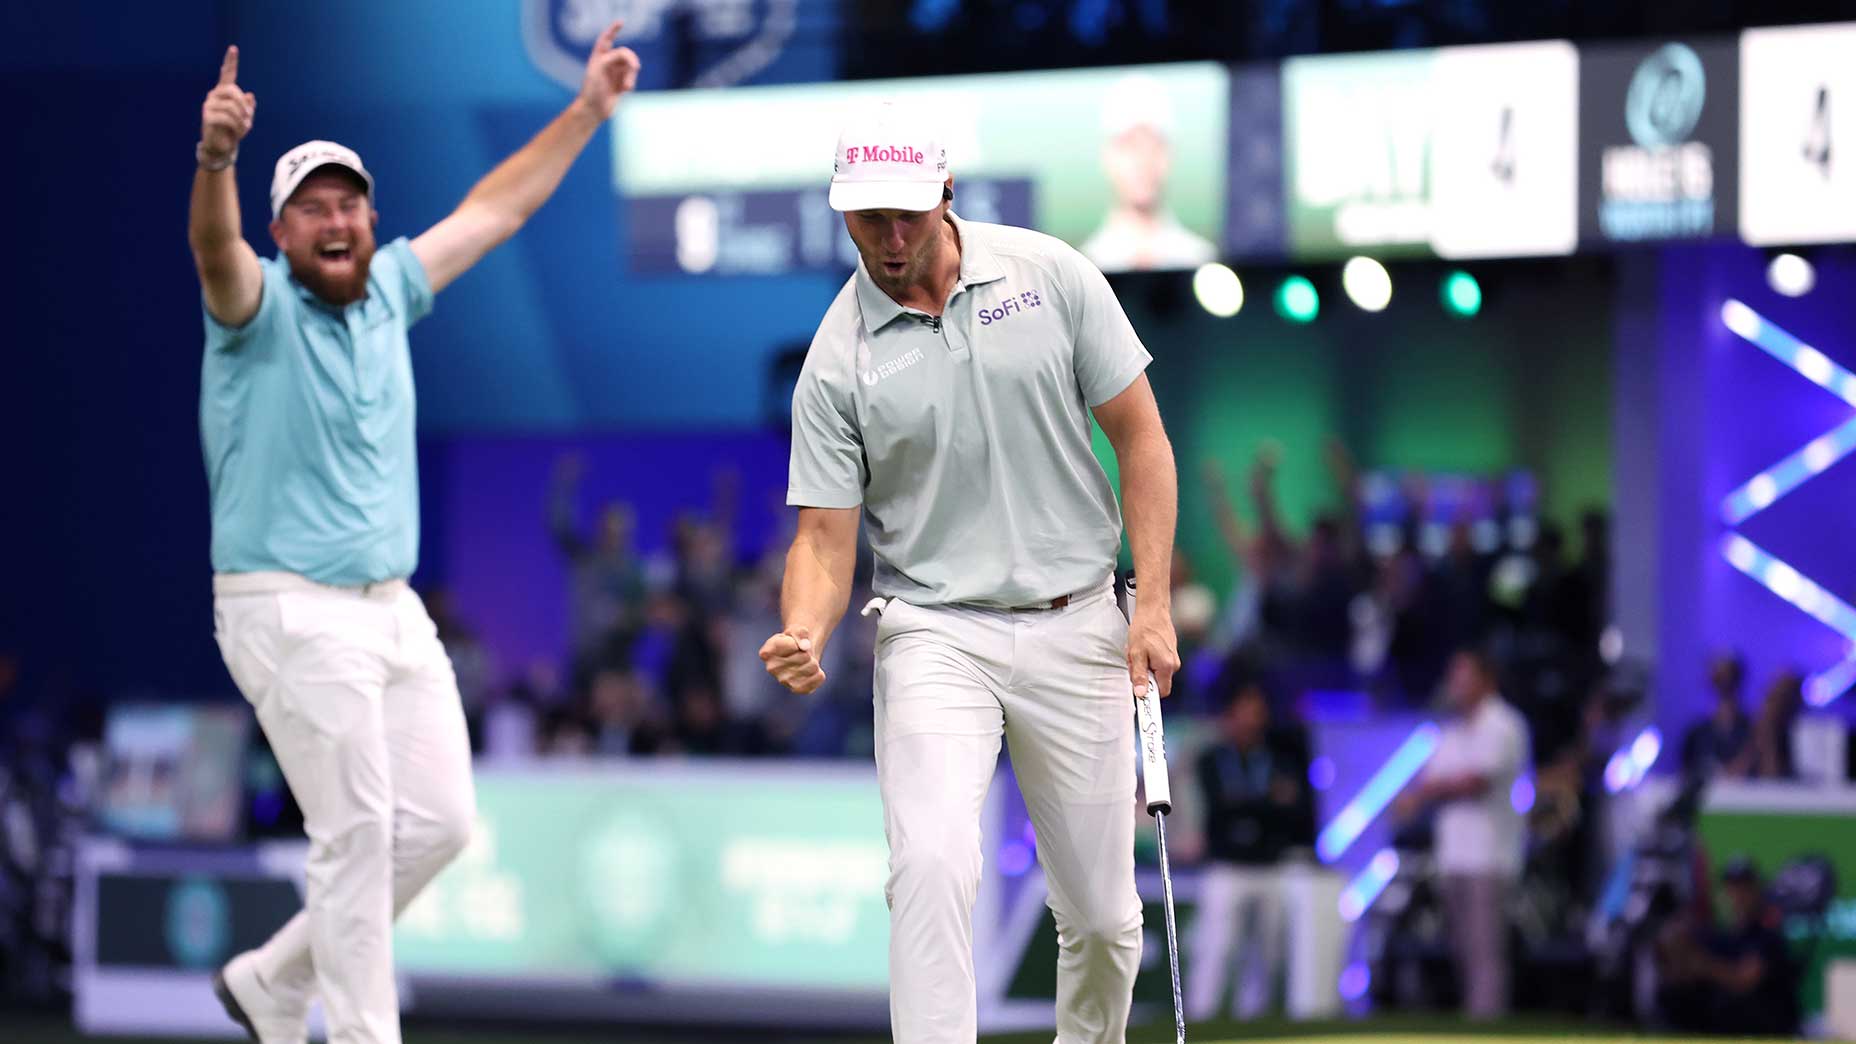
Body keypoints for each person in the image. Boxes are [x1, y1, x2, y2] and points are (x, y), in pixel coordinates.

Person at [190, 27, 639, 1044]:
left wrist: (586, 109)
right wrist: (215, 159)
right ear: (281, 230)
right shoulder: (252, 307)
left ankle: (271, 980)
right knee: (352, 839)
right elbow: (214, 250)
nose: (335, 219)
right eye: (312, 208)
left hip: (391, 611)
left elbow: (498, 207)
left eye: (349, 203)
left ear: (372, 218)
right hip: (285, 604)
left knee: (437, 826)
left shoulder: (391, 287)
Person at [759, 101, 1181, 1044]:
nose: (892, 235)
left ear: (948, 192)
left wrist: (1152, 606)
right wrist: (805, 627)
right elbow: (824, 541)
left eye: (909, 210)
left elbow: (1143, 442)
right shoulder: (834, 360)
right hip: (934, 630)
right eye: (870, 217)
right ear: (843, 215)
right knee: (932, 868)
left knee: (1108, 925)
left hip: (1080, 619)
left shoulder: (1053, 275)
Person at [1395, 648, 1529, 1019]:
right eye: (1453, 676)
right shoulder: (1450, 730)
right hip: (1453, 854)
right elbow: (1435, 777)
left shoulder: (1504, 724)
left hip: (1490, 856)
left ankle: (1487, 1024)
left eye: (1463, 676)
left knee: (1486, 949)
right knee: (1461, 946)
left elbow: (1475, 781)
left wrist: (1422, 796)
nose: (1455, 685)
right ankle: (1473, 1018)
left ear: (1486, 680)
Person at [1186, 683, 1308, 1019]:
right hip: (1225, 867)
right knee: (1214, 948)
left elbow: (1293, 811)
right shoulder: (1212, 759)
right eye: (1244, 711)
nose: (1250, 720)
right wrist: (1268, 800)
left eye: (1256, 712)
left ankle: (1254, 1021)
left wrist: (1244, 804)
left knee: (1266, 954)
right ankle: (1200, 1018)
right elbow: (1219, 807)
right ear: (1229, 716)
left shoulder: (1278, 759)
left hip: (1269, 866)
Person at [1078, 72, 1217, 272]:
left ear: (1168, 155)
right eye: (1129, 145)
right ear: (1107, 156)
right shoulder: (1085, 268)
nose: (1142, 161)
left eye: (1153, 145)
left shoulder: (1201, 259)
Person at [1656, 856, 1800, 1037]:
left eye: (1744, 888)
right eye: (1732, 887)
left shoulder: (1766, 933)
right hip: (1726, 1016)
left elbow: (1745, 980)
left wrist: (1703, 965)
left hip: (1766, 1019)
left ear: (1757, 890)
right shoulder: (1722, 933)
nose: (1738, 895)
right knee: (1673, 995)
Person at [1680, 652, 1751, 780]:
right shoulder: (1697, 733)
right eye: (1719, 676)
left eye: (1728, 675)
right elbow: (1684, 775)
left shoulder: (1752, 730)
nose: (1724, 681)